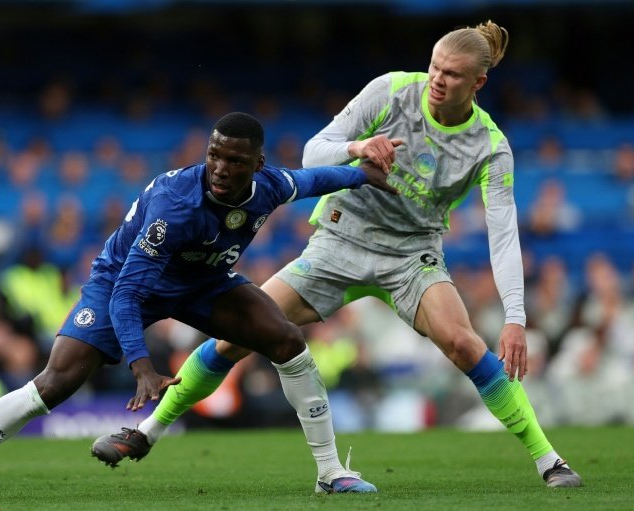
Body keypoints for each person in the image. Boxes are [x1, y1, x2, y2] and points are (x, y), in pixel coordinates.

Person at [92, 21, 582, 489]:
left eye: (452, 74)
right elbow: (313, 152)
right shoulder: (391, 90)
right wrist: (357, 147)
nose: (437, 79)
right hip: (339, 241)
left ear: (478, 83)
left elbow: (503, 232)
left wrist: (514, 318)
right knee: (236, 338)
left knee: (464, 343)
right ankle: (147, 431)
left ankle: (549, 460)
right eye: (434, 66)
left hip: (411, 256)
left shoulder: (490, 147)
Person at [0, 112, 396, 501]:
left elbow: (312, 180)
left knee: (287, 339)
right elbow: (128, 295)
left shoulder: (269, 187)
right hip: (121, 282)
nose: (221, 169)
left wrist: (361, 176)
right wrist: (142, 367)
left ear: (257, 165)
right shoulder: (176, 207)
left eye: (235, 161)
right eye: (215, 155)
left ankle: (330, 472)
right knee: (55, 383)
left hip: (202, 282)